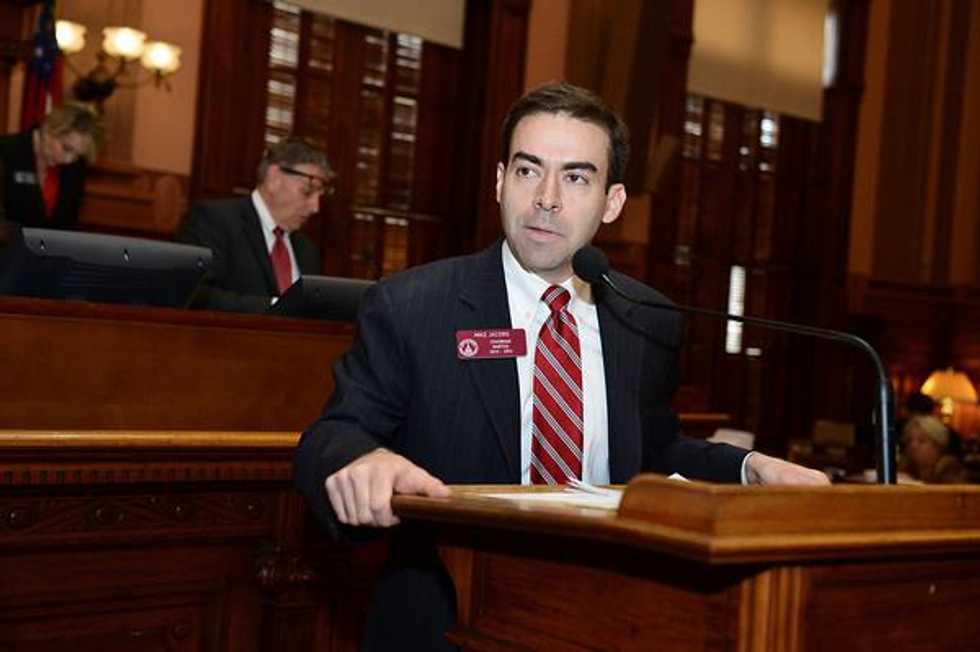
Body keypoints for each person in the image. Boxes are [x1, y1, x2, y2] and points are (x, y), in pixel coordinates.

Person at [293, 82, 828, 651]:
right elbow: (333, 434)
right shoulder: (412, 306)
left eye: (575, 178)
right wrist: (362, 459)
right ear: (500, 182)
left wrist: (748, 468)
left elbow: (654, 453)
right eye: (528, 171)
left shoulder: (646, 318)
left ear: (612, 202)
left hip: (604, 621)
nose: (546, 198)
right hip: (448, 621)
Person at [177, 137, 333, 313]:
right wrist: (276, 307)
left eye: (320, 196)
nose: (315, 207)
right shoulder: (214, 221)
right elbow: (196, 295)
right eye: (307, 191)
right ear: (274, 178)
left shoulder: (307, 249)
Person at [0, 103, 102, 230]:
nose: (68, 160)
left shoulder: (76, 167)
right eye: (66, 148)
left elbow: (68, 223)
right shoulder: (5, 151)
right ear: (49, 129)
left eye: (77, 155)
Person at [899, 414, 968, 484]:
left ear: (938, 445)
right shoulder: (903, 469)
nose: (913, 445)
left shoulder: (951, 472)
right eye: (909, 440)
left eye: (921, 441)